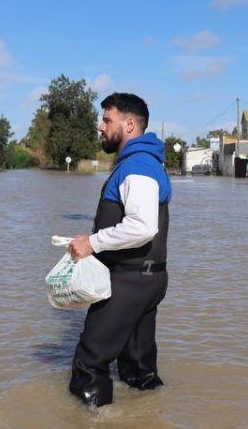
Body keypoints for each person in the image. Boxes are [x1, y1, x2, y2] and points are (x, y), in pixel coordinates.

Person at [67, 92, 172, 408]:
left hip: (127, 282)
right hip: (148, 279)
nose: (101, 126)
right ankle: (150, 415)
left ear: (129, 124)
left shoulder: (138, 164)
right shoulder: (146, 160)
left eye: (107, 119)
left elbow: (142, 227)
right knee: (138, 369)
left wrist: (91, 242)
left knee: (90, 364)